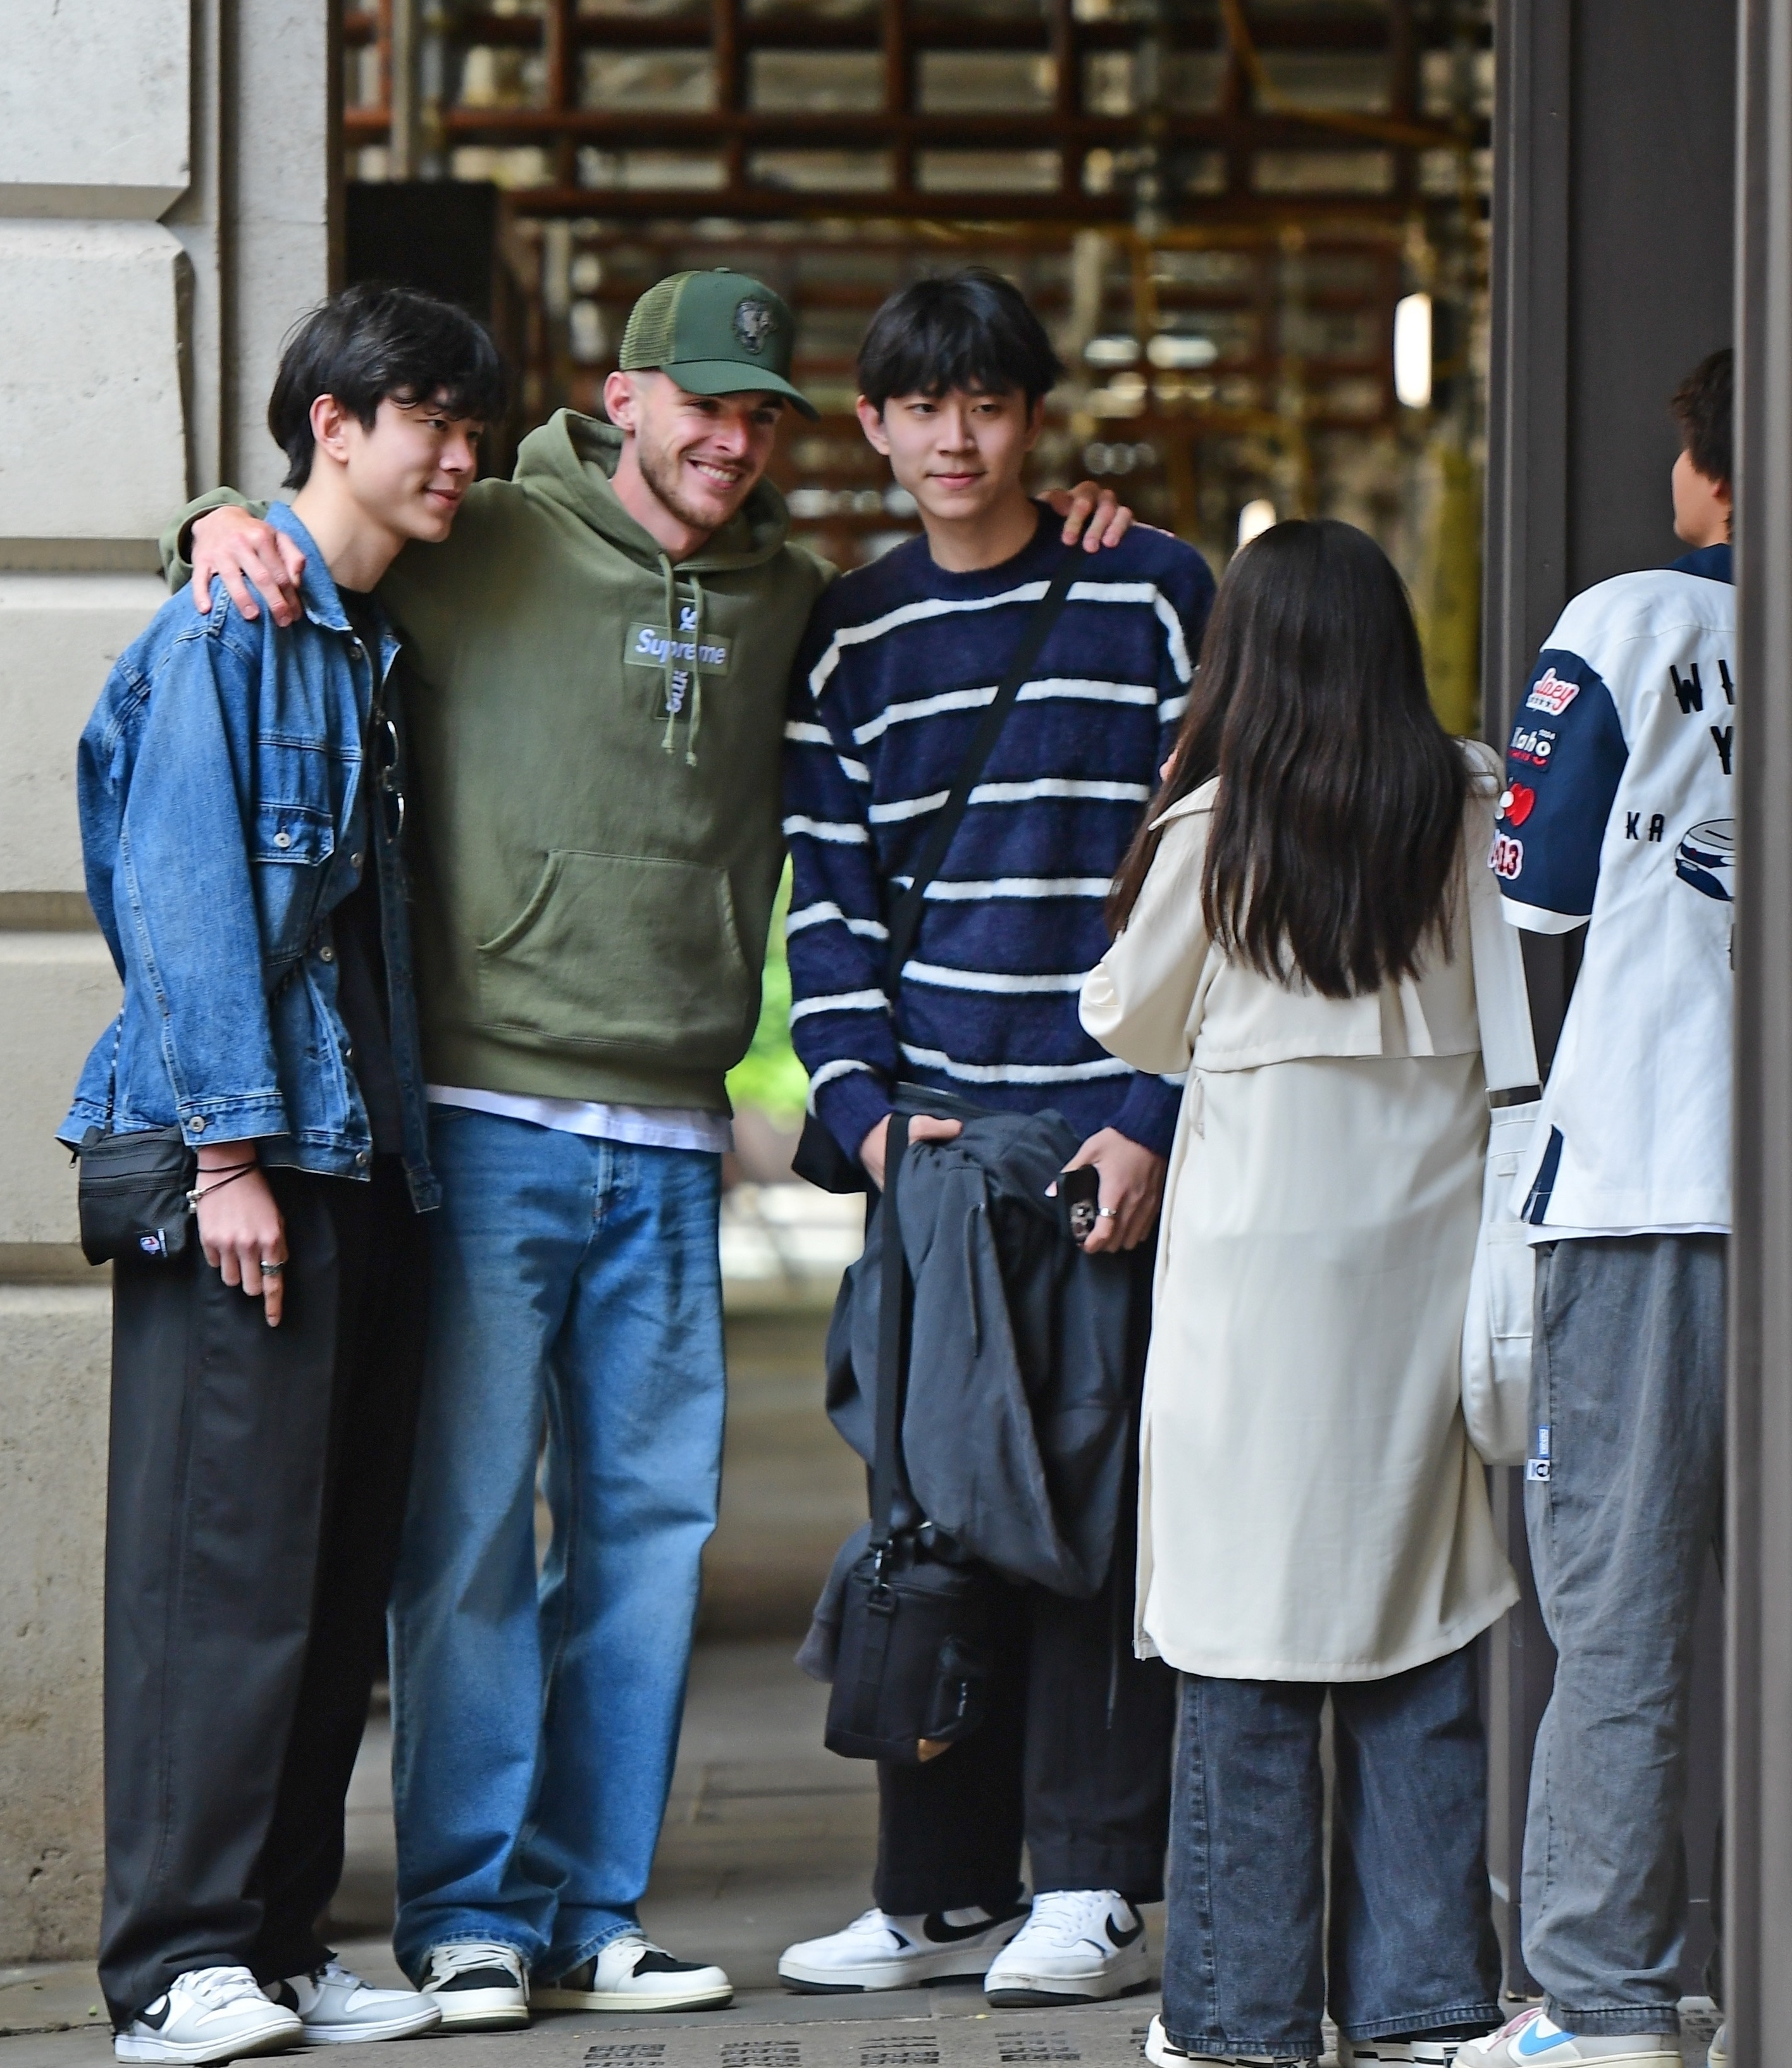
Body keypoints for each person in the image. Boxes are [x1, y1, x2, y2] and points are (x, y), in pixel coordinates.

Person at [173, 269, 1140, 2029]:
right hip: (484, 1123)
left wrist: (1093, 525)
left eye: (763, 410)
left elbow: (973, 607)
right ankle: (466, 1905)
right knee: (464, 1534)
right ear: (621, 397)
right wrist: (214, 518)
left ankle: (586, 1905)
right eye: (703, 401)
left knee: (643, 1537)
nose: (731, 435)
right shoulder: (488, 538)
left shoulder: (794, 596)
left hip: (670, 1133)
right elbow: (328, 542)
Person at [61, 283, 507, 2063]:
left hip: (363, 1153)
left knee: (326, 1579)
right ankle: (173, 1964)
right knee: (218, 1576)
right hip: (246, 1153)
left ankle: (277, 1939)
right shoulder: (226, 627)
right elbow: (174, 894)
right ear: (333, 422)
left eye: (474, 429)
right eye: (430, 422)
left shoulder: (361, 637)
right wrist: (227, 1148)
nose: (460, 457)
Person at [775, 268, 1208, 2006]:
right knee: (925, 1511)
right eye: (921, 407)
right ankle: (932, 1887)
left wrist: (1152, 1111)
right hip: (935, 1148)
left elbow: (1218, 863)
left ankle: (1092, 1881)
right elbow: (829, 901)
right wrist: (867, 1121)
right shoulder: (847, 630)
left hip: (1099, 1127)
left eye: (989, 404)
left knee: (1093, 1513)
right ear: (873, 423)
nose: (956, 438)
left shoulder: (1152, 589)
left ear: (1034, 417)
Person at [1080, 519, 1520, 2066]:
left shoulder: (1218, 823)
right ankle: (1418, 2001)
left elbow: (1127, 1015)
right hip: (1419, 1268)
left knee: (1243, 1643)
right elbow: (1517, 1022)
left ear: (1245, 661)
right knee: (1418, 1626)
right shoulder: (1467, 805)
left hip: (1255, 1292)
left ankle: (1238, 2019)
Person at [1459, 352, 1736, 2068]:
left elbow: (1533, 882)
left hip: (1649, 1166)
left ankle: (1605, 1997)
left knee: (1617, 1597)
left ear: (1707, 468)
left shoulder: (1633, 614)